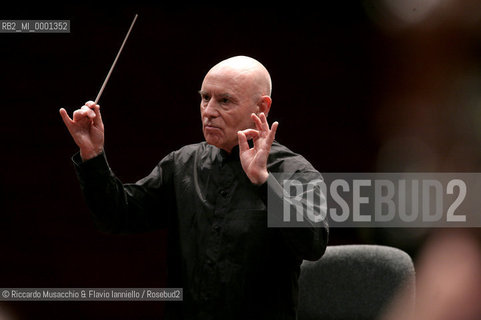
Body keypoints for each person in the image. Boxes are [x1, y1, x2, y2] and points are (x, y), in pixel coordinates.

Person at [60, 55, 328, 319]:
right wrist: (92, 154)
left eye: (224, 100)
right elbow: (116, 216)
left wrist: (262, 181)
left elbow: (313, 245)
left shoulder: (295, 171)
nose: (209, 111)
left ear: (262, 107)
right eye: (204, 97)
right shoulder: (183, 163)